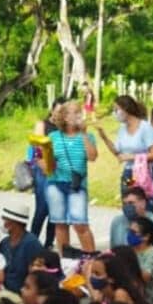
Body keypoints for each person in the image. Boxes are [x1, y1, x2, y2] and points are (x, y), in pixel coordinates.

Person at [45, 100, 98, 255]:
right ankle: (65, 258)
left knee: (80, 223)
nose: (78, 116)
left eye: (79, 112)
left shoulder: (88, 136)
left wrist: (84, 134)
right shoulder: (53, 137)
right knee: (60, 223)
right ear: (65, 117)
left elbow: (92, 157)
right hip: (56, 183)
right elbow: (46, 162)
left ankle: (91, 258)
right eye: (74, 112)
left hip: (77, 185)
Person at [95, 95, 153, 206]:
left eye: (116, 110)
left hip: (147, 174)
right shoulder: (122, 128)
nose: (114, 113)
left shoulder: (145, 128)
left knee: (145, 210)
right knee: (129, 207)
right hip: (130, 175)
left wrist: (131, 157)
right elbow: (118, 153)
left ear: (126, 109)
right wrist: (104, 137)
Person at [109, 187, 153, 291]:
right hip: (125, 270)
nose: (127, 207)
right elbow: (113, 251)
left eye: (131, 203)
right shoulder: (117, 222)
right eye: (124, 204)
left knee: (152, 283)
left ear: (143, 203)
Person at [0, 205, 44, 296]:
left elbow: (37, 274)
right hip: (4, 289)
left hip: (22, 293)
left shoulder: (32, 244)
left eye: (4, 219)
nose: (2, 222)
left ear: (14, 223)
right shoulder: (4, 243)